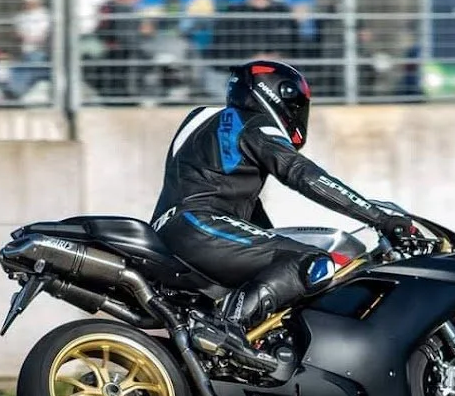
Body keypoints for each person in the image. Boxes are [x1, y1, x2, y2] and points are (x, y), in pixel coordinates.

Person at [150, 59, 417, 368]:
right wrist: (379, 217)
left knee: (280, 261)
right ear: (278, 95)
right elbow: (304, 174)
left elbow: (243, 208)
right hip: (200, 226)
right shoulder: (253, 123)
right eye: (296, 103)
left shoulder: (201, 119)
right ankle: (227, 331)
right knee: (310, 261)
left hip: (177, 229)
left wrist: (275, 246)